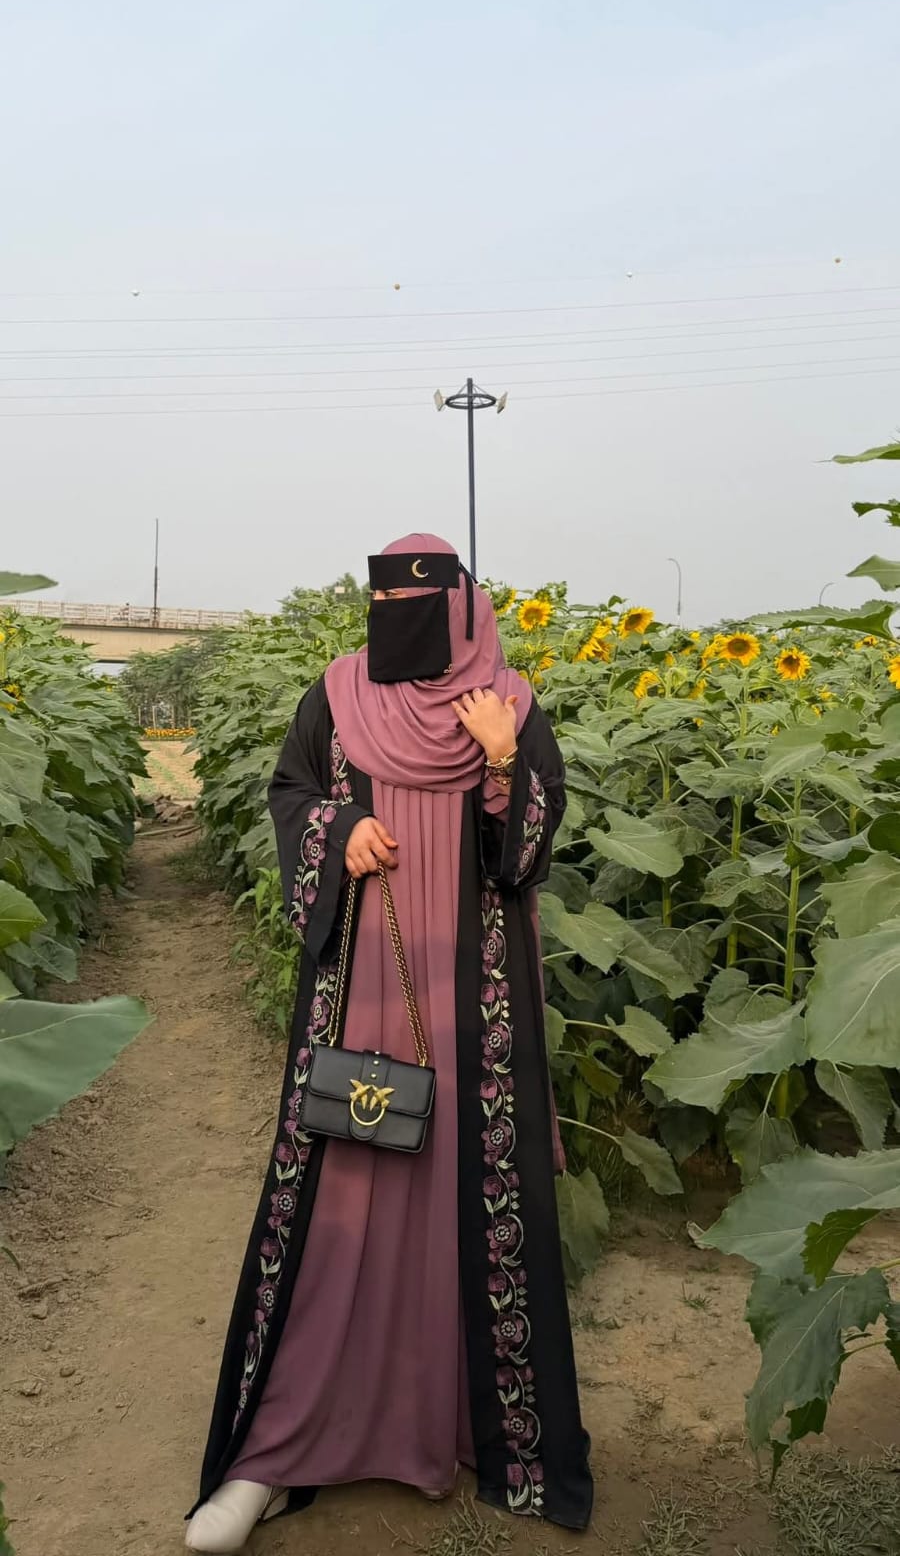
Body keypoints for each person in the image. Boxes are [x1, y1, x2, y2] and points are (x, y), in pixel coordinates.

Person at [185, 535, 593, 1553]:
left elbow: (528, 858)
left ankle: (460, 1428)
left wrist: (500, 753)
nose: (390, 622)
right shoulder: (337, 693)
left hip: (477, 1013)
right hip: (364, 992)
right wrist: (338, 830)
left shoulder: (512, 703)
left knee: (462, 1194)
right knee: (339, 1198)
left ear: (460, 610)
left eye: (411, 603)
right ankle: (273, 1452)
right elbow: (291, 797)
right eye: (378, 601)